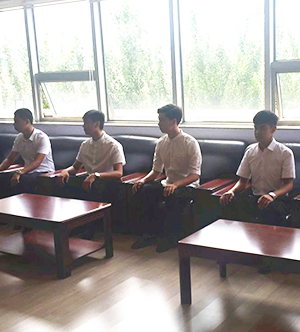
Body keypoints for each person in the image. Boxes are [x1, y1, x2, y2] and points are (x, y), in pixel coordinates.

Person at [130, 104, 202, 253]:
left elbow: (195, 175)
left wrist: (176, 185)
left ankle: (170, 238)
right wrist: (143, 180)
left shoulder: (190, 143)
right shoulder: (161, 142)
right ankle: (149, 234)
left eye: (162, 120)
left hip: (187, 185)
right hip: (168, 183)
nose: (159, 123)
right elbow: (156, 171)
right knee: (144, 190)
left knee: (174, 195)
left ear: (173, 121)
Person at [220, 110, 295, 226]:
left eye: (262, 128)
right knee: (228, 202)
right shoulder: (250, 151)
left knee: (269, 210)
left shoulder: (285, 153)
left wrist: (271, 195)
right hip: (255, 197)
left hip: (277, 199)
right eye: (255, 128)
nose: (257, 132)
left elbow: (288, 185)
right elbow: (242, 181)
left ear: (273, 129)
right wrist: (231, 191)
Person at [57, 110, 126, 235]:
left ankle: (91, 229)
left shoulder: (113, 145)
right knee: (66, 182)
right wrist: (65, 171)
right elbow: (75, 168)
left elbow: (118, 173)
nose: (83, 126)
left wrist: (96, 175)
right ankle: (70, 224)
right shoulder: (85, 145)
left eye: (86, 123)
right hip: (89, 179)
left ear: (96, 124)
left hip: (107, 181)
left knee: (95, 186)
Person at [0, 108, 55, 196]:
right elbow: (10, 159)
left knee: (23, 180)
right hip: (27, 171)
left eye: (16, 121)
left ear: (27, 122)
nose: (14, 124)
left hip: (44, 171)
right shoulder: (19, 138)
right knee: (1, 177)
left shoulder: (41, 137)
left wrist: (19, 172)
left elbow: (37, 162)